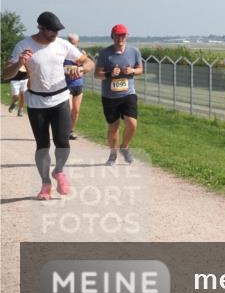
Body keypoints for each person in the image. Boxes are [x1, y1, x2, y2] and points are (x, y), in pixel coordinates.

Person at [3, 11, 93, 200]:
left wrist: (81, 69)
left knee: (63, 142)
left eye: (57, 31)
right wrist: (19, 63)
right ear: (40, 28)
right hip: (37, 102)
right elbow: (5, 74)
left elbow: (88, 62)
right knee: (42, 145)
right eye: (52, 31)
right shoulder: (23, 46)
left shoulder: (62, 44)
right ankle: (45, 184)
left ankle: (58, 171)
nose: (55, 34)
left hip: (60, 98)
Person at [94, 24, 143, 165]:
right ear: (112, 37)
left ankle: (124, 147)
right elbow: (97, 74)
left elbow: (140, 69)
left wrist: (131, 71)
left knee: (132, 123)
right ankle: (113, 154)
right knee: (114, 126)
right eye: (117, 36)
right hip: (110, 97)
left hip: (128, 94)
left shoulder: (134, 51)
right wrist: (110, 74)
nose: (120, 38)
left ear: (126, 36)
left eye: (122, 35)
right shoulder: (105, 53)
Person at [65, 32, 88, 139]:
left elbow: (87, 67)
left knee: (76, 110)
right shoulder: (63, 54)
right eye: (71, 42)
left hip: (78, 85)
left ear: (78, 42)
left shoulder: (81, 54)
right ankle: (63, 129)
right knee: (68, 109)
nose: (73, 45)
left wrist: (83, 65)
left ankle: (71, 131)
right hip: (66, 85)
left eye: (74, 43)